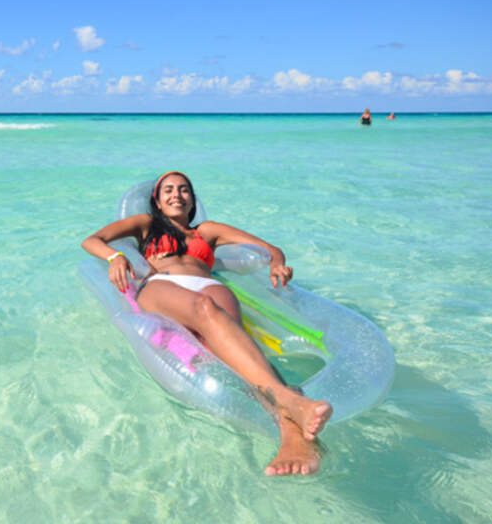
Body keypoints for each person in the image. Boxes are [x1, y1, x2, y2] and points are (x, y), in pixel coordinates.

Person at [81, 171, 332, 476]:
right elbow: (92, 240)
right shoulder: (146, 224)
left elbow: (269, 248)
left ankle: (294, 437)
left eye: (184, 190)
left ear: (192, 200)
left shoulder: (207, 231)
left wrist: (278, 264)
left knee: (236, 353)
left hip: (208, 285)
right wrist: (115, 257)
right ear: (157, 201)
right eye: (168, 190)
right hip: (163, 286)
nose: (177, 195)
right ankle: (290, 399)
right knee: (205, 308)